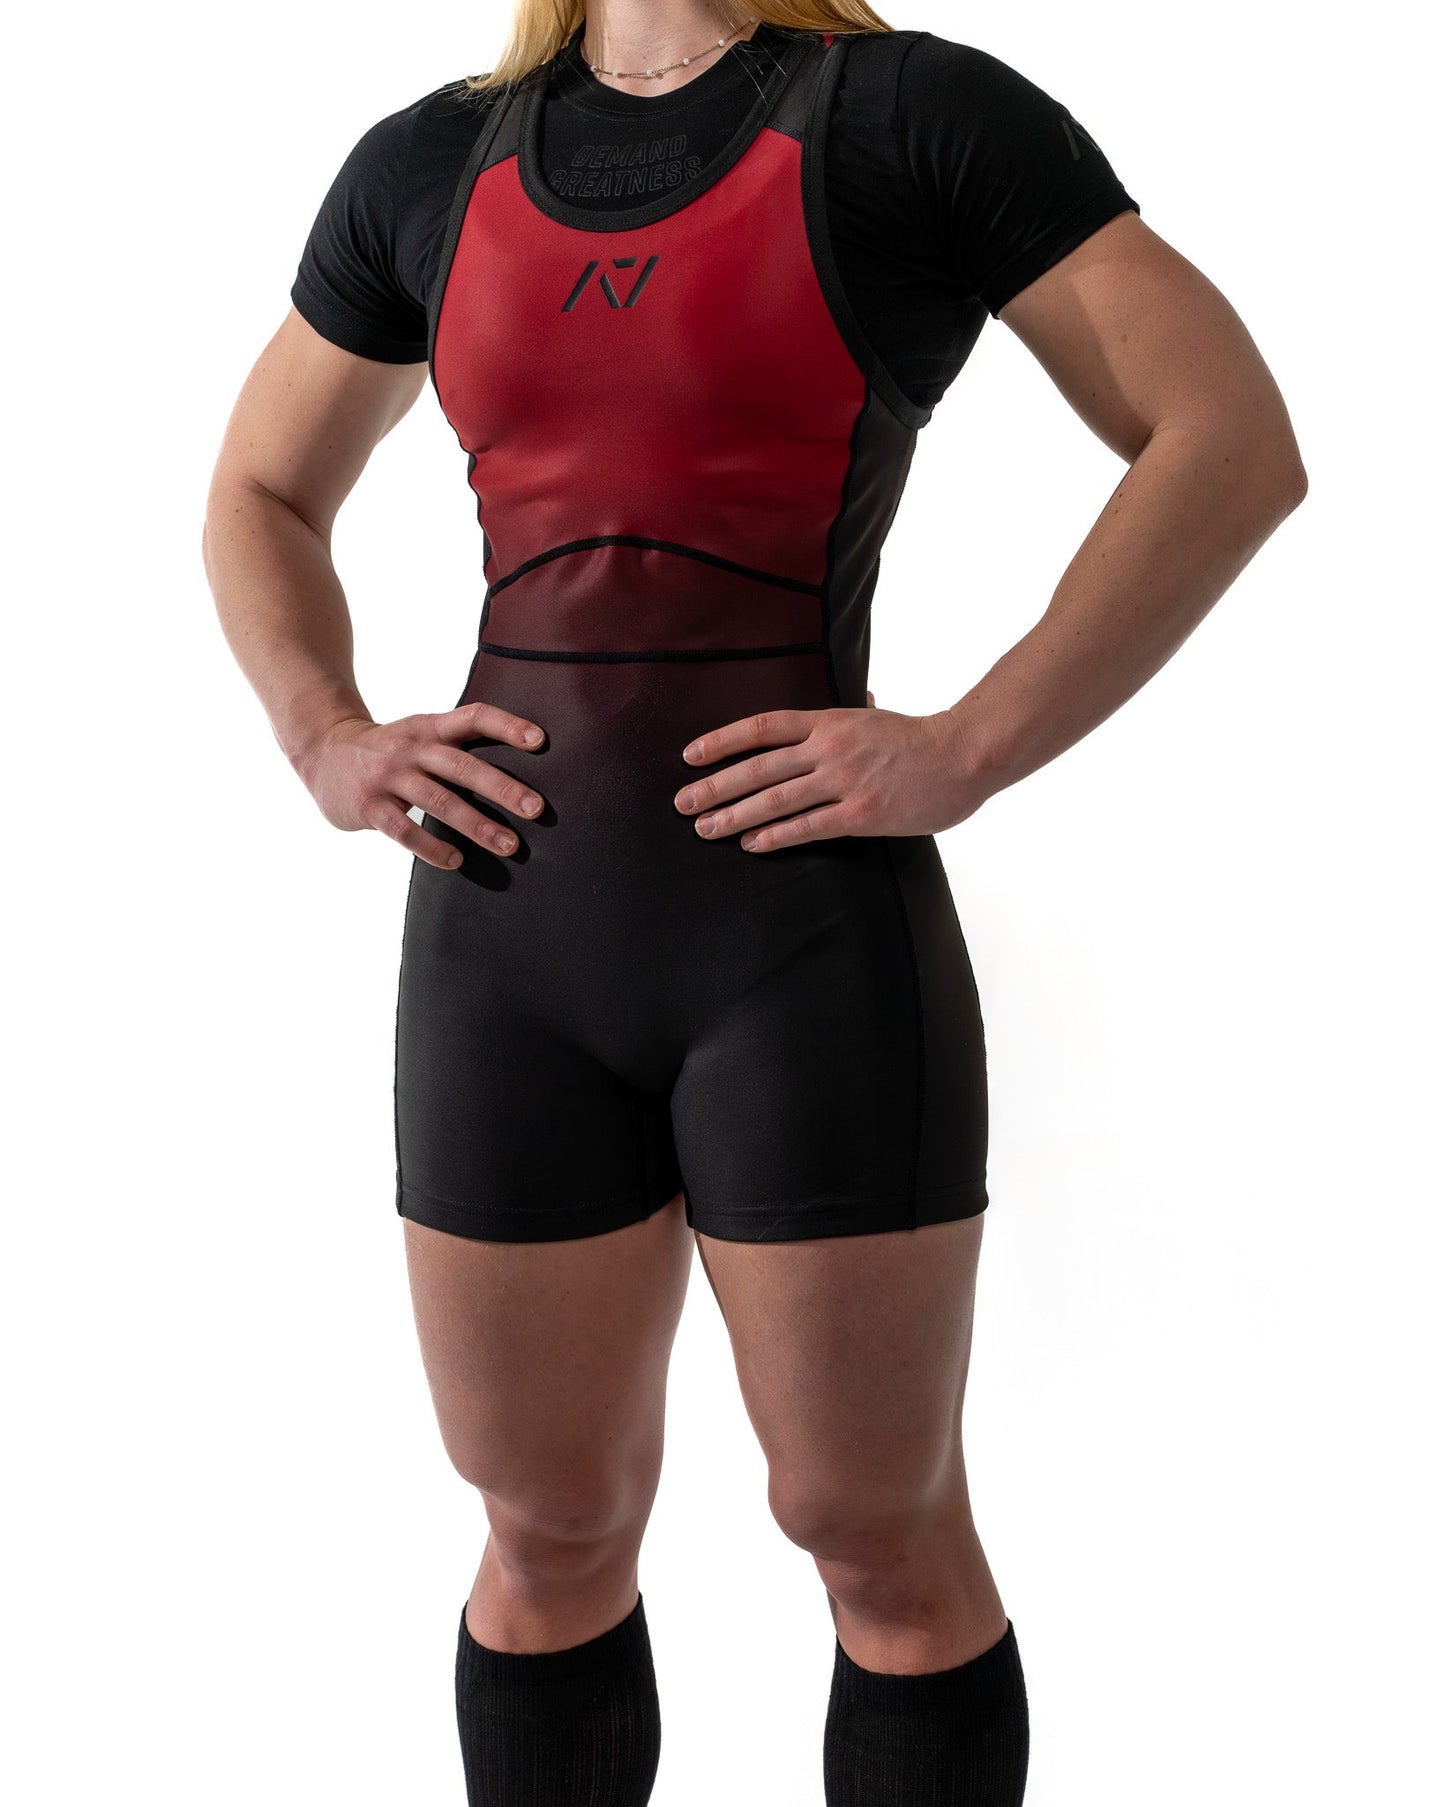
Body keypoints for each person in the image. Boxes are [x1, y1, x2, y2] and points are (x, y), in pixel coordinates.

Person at [201, 2, 1307, 1801]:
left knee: (872, 1536)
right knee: (543, 1528)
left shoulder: (911, 117)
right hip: (506, 939)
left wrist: (968, 745)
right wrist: (323, 731)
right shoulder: (431, 161)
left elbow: (1227, 436)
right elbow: (260, 485)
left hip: (796, 945)